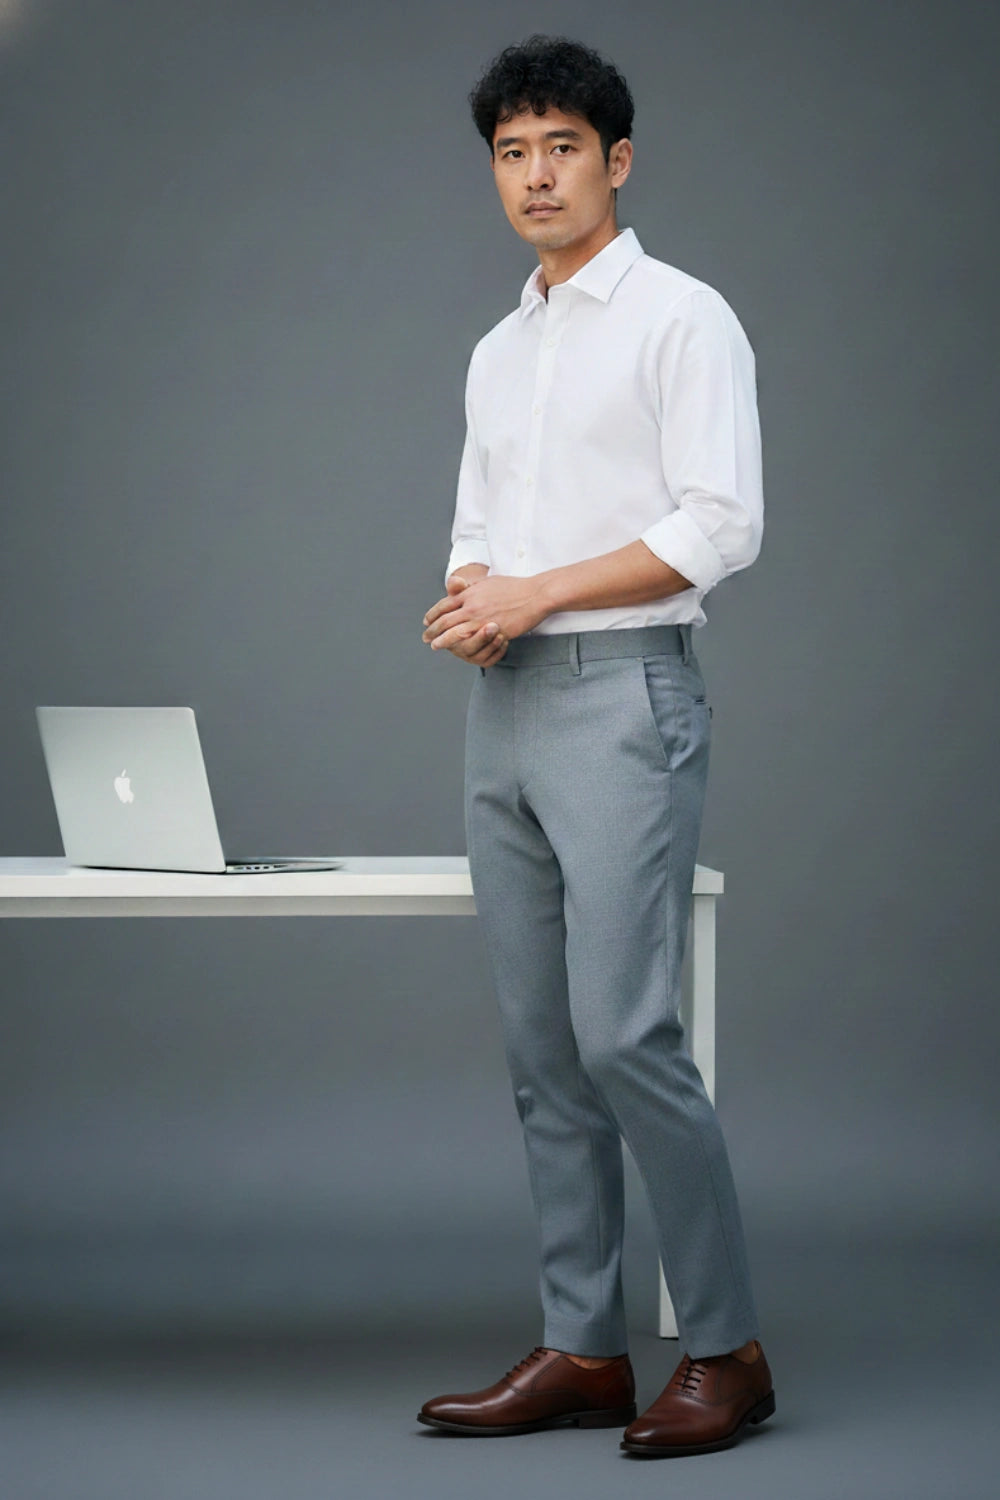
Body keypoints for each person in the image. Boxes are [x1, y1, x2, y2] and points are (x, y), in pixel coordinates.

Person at [418, 35, 774, 1459]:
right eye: (512, 152)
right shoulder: (499, 349)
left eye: (561, 146)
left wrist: (542, 590)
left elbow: (721, 524)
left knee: (629, 1031)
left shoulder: (686, 319)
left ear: (615, 160)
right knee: (540, 1048)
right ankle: (583, 1348)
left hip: (627, 693)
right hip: (502, 702)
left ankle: (731, 1348)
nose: (536, 174)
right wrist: (466, 600)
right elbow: (480, 523)